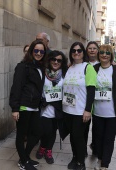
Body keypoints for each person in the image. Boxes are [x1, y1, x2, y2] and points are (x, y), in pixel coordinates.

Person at [9, 40, 47, 170]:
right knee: (21, 134)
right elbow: (16, 87)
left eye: (41, 51)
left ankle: (24, 157)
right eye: (36, 50)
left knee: (37, 132)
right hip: (24, 106)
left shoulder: (40, 67)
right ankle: (24, 161)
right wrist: (15, 108)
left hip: (35, 106)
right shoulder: (23, 66)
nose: (38, 53)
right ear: (31, 51)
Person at [93, 44, 116, 170]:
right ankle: (99, 158)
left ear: (111, 56)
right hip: (97, 111)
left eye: (107, 53)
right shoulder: (93, 68)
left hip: (113, 112)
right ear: (99, 54)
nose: (104, 55)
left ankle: (104, 165)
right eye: (102, 52)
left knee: (109, 139)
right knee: (98, 138)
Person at [62, 42, 97, 170]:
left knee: (78, 137)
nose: (76, 53)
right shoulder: (69, 68)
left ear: (83, 53)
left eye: (79, 50)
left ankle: (81, 162)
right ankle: (75, 157)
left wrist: (88, 110)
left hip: (81, 110)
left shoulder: (88, 68)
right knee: (72, 136)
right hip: (68, 109)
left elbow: (92, 90)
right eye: (74, 51)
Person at [36, 50, 68, 164]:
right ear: (49, 60)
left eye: (59, 60)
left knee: (53, 131)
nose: (56, 62)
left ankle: (48, 150)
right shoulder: (42, 73)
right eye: (53, 59)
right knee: (44, 130)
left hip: (57, 109)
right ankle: (42, 146)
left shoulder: (65, 74)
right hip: (44, 107)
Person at [84, 41, 99, 157]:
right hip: (86, 101)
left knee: (97, 128)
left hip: (100, 102)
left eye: (94, 48)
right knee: (84, 127)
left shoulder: (105, 64)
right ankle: (82, 148)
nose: (92, 50)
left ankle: (95, 146)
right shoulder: (82, 64)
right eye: (90, 48)